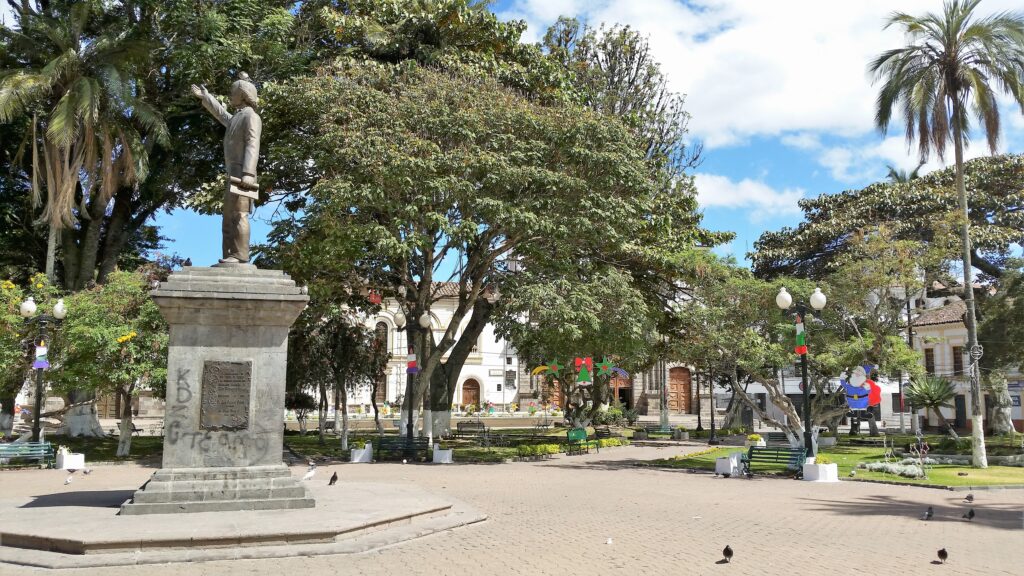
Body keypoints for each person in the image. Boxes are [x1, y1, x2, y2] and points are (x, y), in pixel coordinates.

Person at [190, 72, 262, 264]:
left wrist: (248, 173)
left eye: (233, 92)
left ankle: (240, 255)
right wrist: (206, 97)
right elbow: (221, 114)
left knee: (239, 214)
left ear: (243, 95)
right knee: (228, 218)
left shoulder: (251, 116)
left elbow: (252, 144)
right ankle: (229, 254)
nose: (231, 96)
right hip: (233, 174)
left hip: (243, 174)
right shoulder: (237, 117)